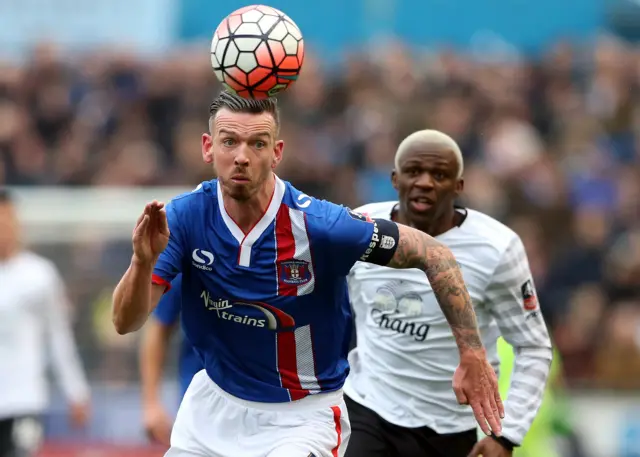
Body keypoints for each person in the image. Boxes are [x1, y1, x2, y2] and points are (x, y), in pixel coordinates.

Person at [111, 91, 503, 457]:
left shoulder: (321, 226)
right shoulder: (182, 218)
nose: (242, 156)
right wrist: (142, 262)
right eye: (229, 141)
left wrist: (471, 352)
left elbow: (435, 254)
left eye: (257, 144)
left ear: (277, 152)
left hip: (300, 418)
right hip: (212, 406)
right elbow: (126, 323)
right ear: (208, 147)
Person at [343, 130, 553, 457]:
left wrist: (507, 435)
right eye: (414, 172)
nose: (425, 182)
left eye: (439, 175)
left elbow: (533, 346)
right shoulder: (361, 227)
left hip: (452, 427)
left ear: (459, 186)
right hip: (368, 410)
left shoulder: (497, 248)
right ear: (395, 179)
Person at [0, 188, 91, 457]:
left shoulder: (39, 275)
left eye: (7, 220)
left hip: (24, 400)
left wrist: (76, 391)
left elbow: (58, 336)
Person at [139, 274, 203, 446]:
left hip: (269, 408)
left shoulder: (277, 261)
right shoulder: (196, 256)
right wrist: (151, 403)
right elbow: (158, 327)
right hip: (199, 404)